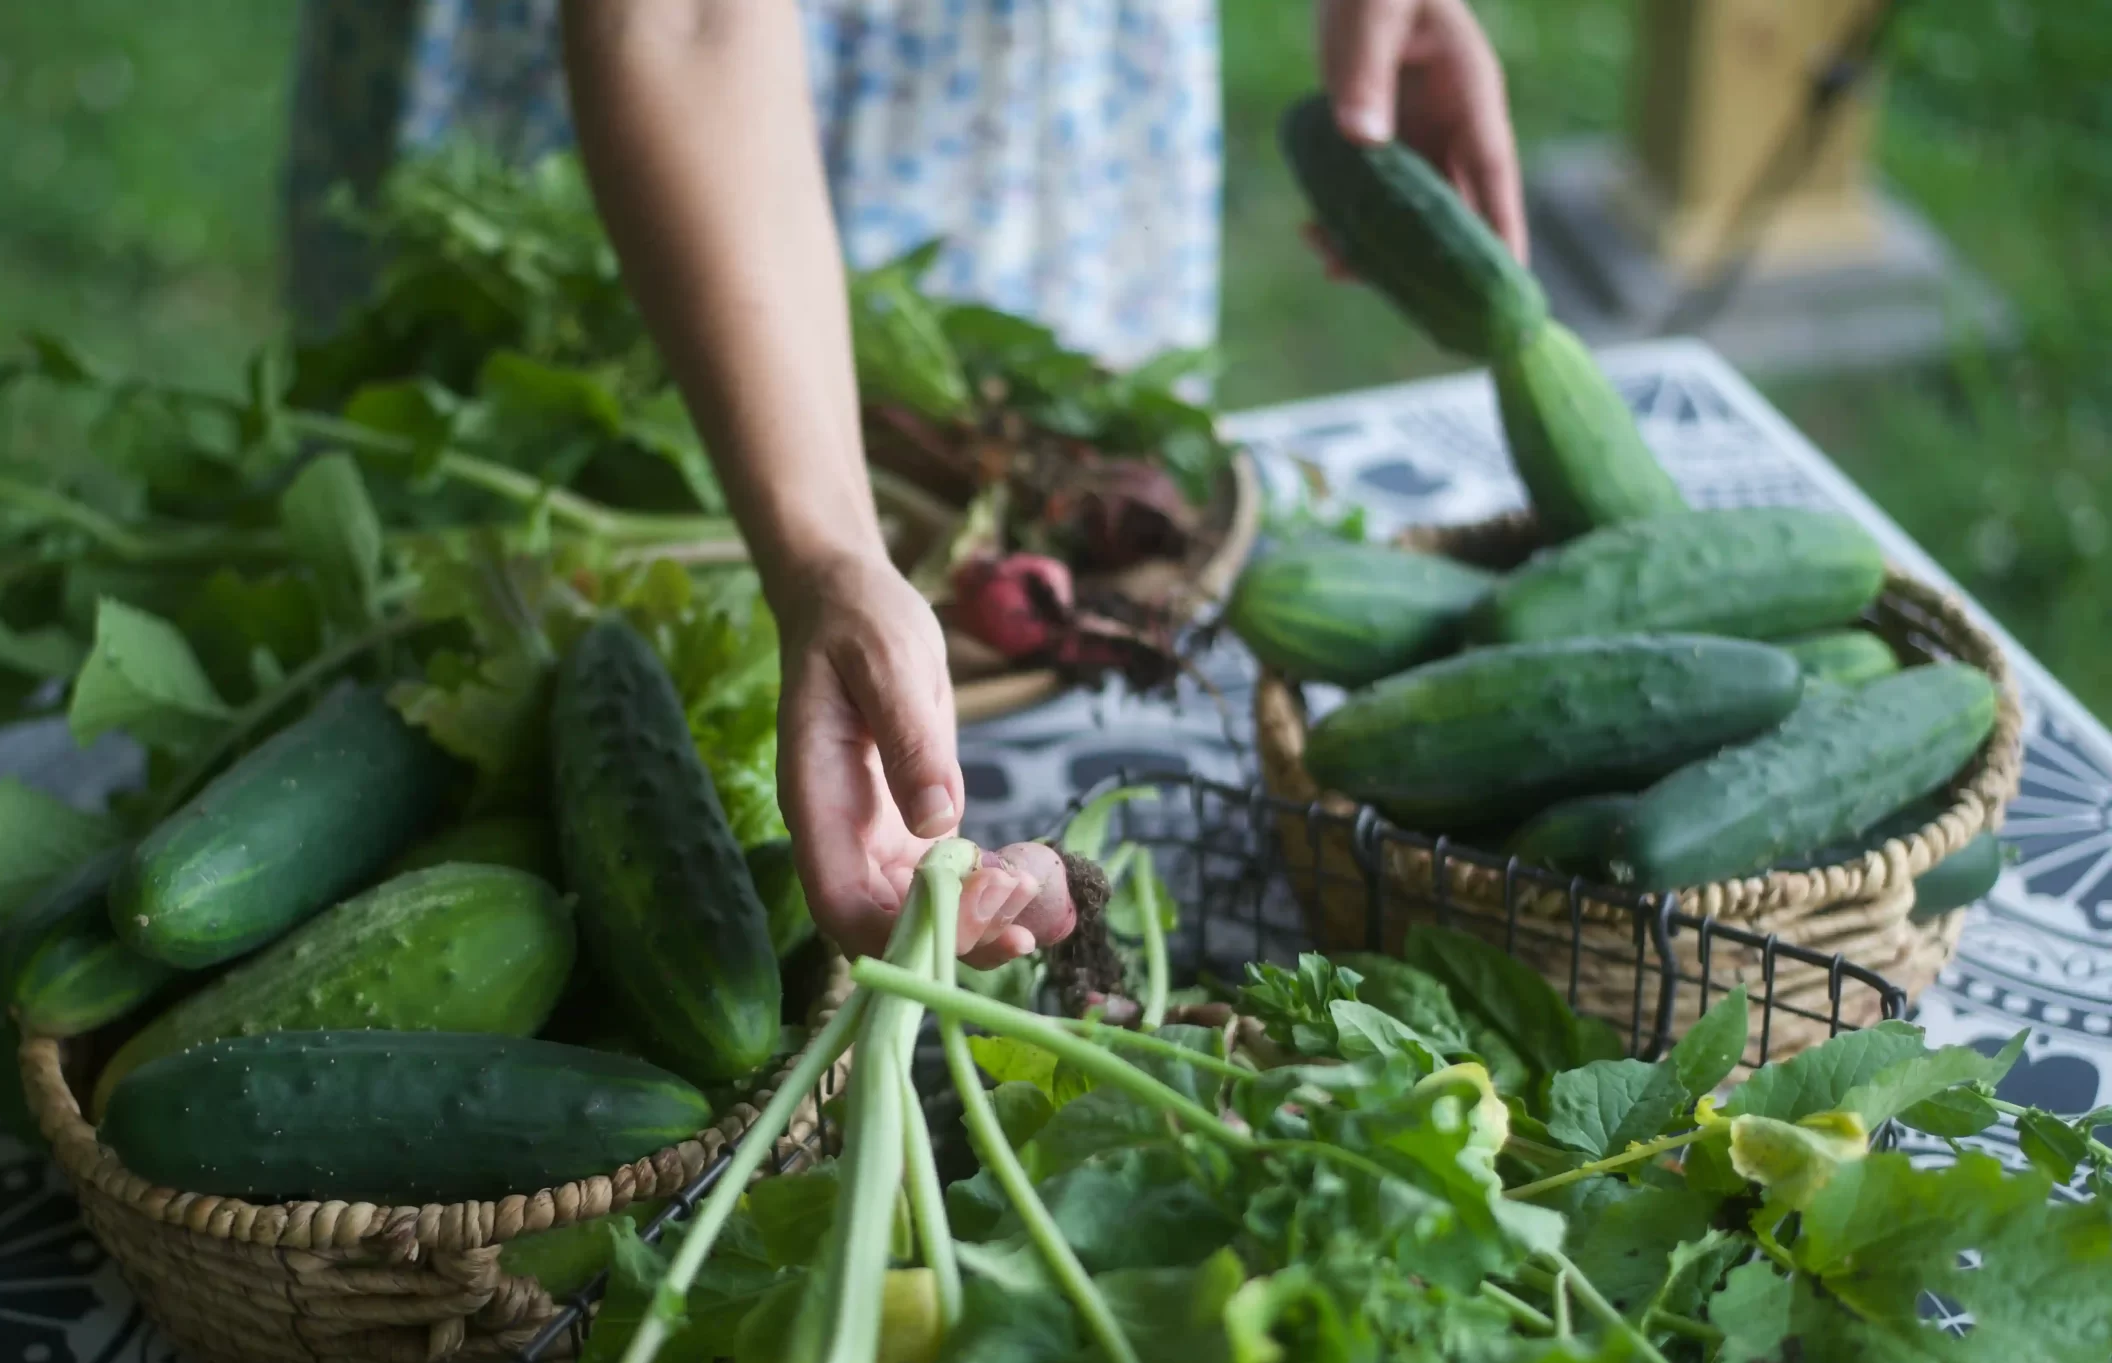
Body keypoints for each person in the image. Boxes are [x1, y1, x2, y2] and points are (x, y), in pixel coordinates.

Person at [283, 0, 1527, 966]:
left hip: (1029, 64)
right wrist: (828, 554)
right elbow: (684, 21)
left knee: (1008, 381)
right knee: (494, 464)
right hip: (681, 99)